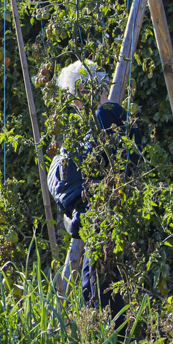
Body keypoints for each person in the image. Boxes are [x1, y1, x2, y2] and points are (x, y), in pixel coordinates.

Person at [48, 60, 144, 308]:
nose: (74, 105)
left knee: (101, 288)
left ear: (81, 92)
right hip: (111, 216)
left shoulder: (104, 117)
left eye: (72, 96)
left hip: (105, 217)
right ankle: (109, 340)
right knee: (101, 284)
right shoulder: (115, 118)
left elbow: (105, 175)